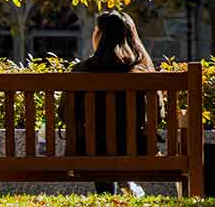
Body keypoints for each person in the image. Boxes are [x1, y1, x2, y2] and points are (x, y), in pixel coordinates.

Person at [66, 10, 155, 196]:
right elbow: (157, 115)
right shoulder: (142, 73)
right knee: (115, 141)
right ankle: (121, 185)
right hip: (136, 149)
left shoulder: (80, 72)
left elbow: (66, 113)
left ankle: (107, 194)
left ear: (99, 35)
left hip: (89, 150)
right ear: (130, 37)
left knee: (98, 140)